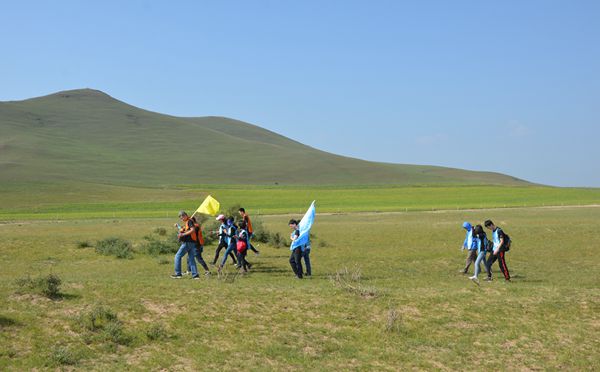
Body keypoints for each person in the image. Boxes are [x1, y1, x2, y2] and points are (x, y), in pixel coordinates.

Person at [171, 211, 200, 279]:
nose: (182, 219)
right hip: (192, 242)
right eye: (180, 218)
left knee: (177, 256)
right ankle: (195, 275)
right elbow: (184, 229)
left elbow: (192, 230)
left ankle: (178, 274)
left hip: (188, 242)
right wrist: (178, 226)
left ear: (185, 215)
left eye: (182, 217)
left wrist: (183, 234)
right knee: (191, 259)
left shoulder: (189, 221)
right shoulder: (188, 222)